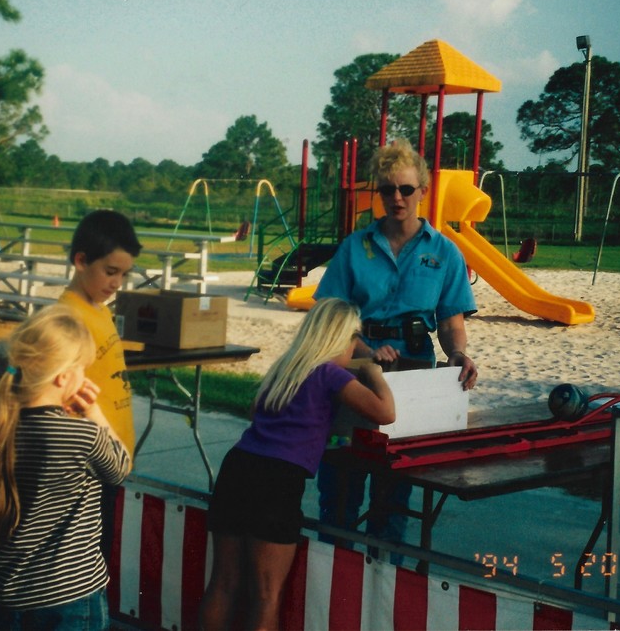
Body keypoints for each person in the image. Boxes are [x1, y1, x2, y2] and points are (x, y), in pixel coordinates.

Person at [313, 137, 478, 560]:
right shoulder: (355, 247)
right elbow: (329, 317)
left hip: (413, 374)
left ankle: (386, 583)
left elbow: (451, 322)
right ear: (379, 192)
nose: (397, 198)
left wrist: (457, 354)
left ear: (423, 190)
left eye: (406, 189)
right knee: (341, 492)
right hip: (353, 373)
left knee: (394, 497)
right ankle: (334, 578)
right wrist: (364, 350)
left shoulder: (445, 253)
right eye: (388, 189)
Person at [199, 298, 395, 630]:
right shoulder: (331, 374)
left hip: (238, 467)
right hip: (277, 480)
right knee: (267, 594)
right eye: (354, 339)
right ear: (342, 339)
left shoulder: (287, 365)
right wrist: (372, 374)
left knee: (224, 582)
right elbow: (385, 413)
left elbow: (255, 412)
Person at [0, 305, 132, 629]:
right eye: (83, 369)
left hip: (10, 593)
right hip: (70, 596)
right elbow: (121, 468)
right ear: (64, 376)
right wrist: (94, 414)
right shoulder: (82, 434)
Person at [56, 209, 142, 558]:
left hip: (109, 458)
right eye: (110, 271)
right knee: (81, 564)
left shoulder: (101, 309)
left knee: (99, 557)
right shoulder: (67, 318)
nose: (117, 282)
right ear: (81, 261)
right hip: (83, 468)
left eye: (124, 274)